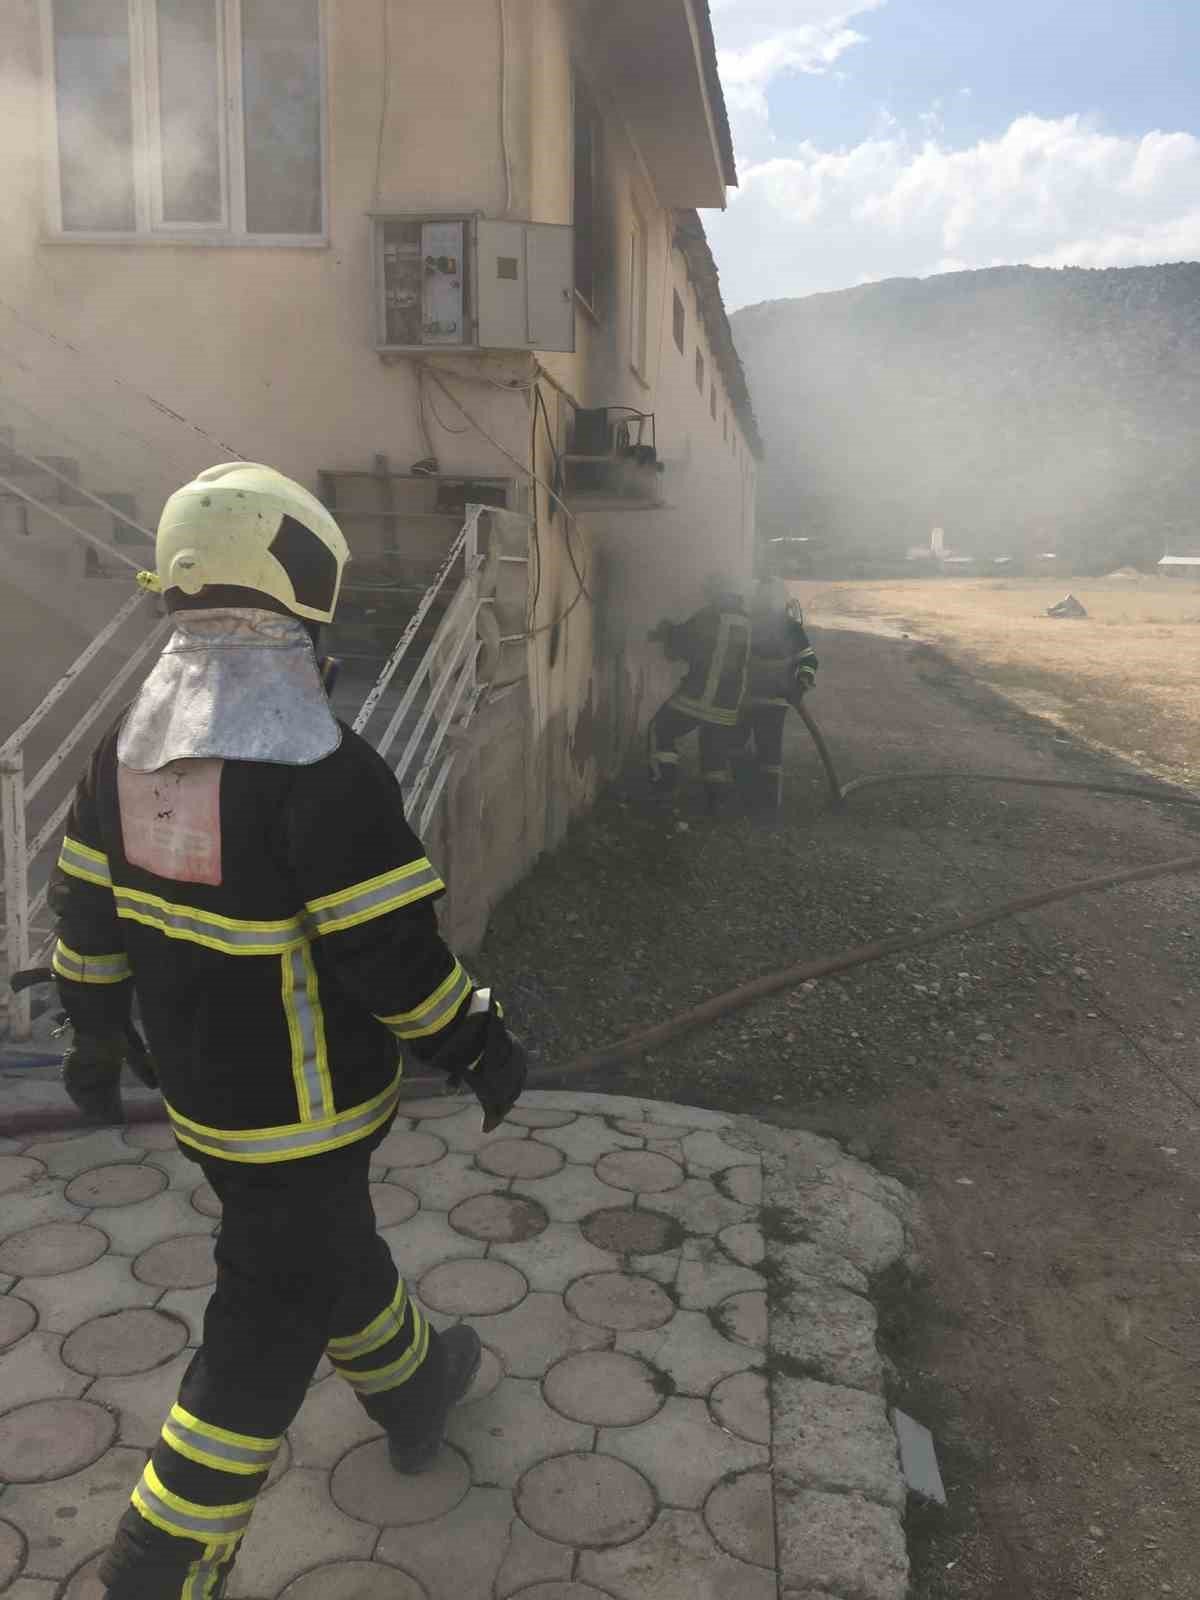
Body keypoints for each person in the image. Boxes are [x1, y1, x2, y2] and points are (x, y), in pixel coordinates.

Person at [47, 463, 526, 1599]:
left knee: (323, 1252)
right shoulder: (328, 770)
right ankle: (159, 1565)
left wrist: (92, 1038)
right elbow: (395, 959)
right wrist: (481, 1043)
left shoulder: (116, 754)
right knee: (260, 1339)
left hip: (204, 1109)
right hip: (308, 1119)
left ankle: (416, 1392)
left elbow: (85, 919)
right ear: (305, 597)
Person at [647, 573, 751, 813]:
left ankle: (664, 790)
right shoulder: (746, 621)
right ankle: (718, 804)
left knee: (660, 729)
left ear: (718, 592)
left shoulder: (710, 616)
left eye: (710, 590)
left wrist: (665, 632)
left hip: (700, 697)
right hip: (728, 704)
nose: (707, 594)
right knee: (713, 751)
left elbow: (680, 647)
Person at [735, 578, 819, 810]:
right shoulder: (746, 623)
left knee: (769, 752)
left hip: (772, 701)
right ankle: (745, 797)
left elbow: (808, 660)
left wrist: (802, 681)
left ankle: (768, 805)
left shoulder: (790, 629)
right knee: (736, 746)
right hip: (743, 700)